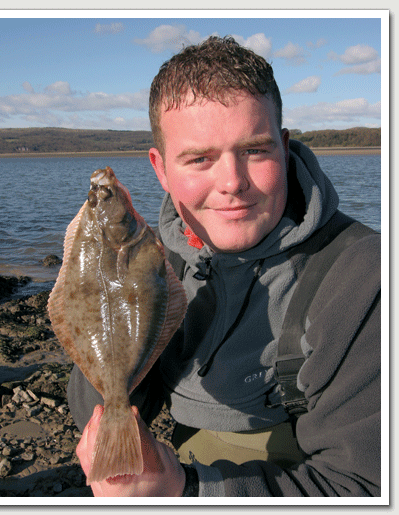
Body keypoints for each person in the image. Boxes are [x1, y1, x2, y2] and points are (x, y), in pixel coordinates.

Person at [68, 36, 381, 497]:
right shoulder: (159, 258)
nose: (232, 183)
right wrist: (101, 309)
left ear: (284, 144)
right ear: (160, 169)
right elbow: (101, 408)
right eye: (199, 159)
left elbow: (362, 488)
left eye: (255, 150)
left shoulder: (363, 278)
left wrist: (183, 490)